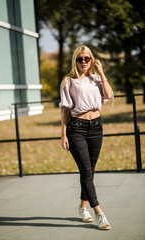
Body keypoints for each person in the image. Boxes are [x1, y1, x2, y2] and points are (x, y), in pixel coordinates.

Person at [59, 45, 114, 230]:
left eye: (87, 58)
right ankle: (99, 213)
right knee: (86, 171)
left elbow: (108, 95)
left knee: (90, 171)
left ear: (92, 60)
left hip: (97, 127)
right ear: (75, 60)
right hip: (77, 129)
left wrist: (101, 72)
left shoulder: (97, 78)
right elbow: (65, 109)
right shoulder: (68, 81)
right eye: (79, 59)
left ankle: (83, 208)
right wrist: (63, 134)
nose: (83, 61)